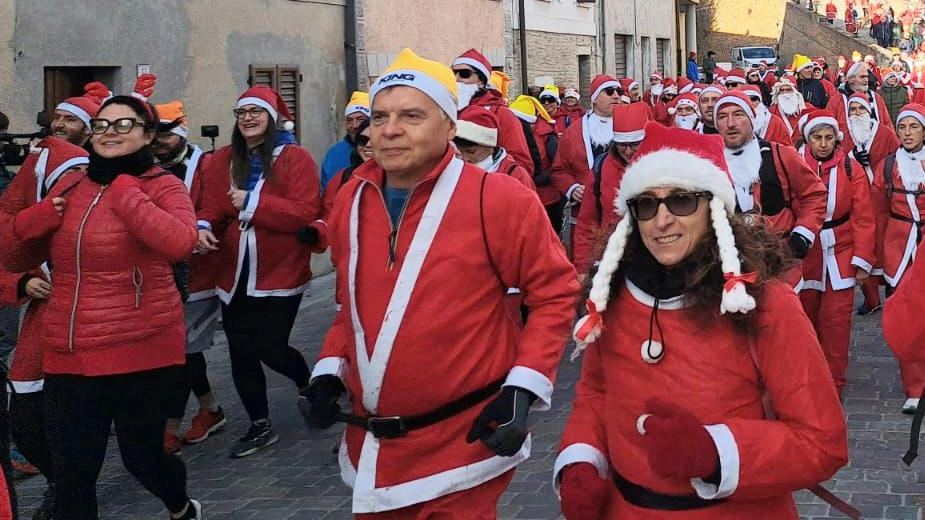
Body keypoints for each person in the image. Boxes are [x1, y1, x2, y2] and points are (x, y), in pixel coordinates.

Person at [301, 48, 578, 517]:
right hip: (374, 447)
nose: (389, 129)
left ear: (450, 126)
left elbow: (555, 292)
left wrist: (524, 388)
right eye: (380, 115)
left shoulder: (500, 197)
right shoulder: (352, 197)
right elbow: (352, 306)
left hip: (462, 444)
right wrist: (330, 372)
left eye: (412, 115)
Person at [556, 122, 848, 520]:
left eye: (681, 201)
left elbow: (822, 442)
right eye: (646, 204)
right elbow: (596, 392)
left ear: (713, 209)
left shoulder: (764, 303)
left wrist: (716, 453)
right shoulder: (615, 295)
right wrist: (581, 460)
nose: (661, 222)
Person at [0, 95, 203, 519]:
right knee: (73, 476)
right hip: (69, 353)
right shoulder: (71, 185)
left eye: (124, 124)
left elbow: (179, 242)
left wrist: (125, 187)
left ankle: (181, 506)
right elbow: (13, 258)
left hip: (140, 351)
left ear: (148, 135)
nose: (109, 131)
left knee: (143, 460)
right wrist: (36, 220)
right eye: (102, 124)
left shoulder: (162, 186)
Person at [197, 86, 321, 458]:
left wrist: (252, 202)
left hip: (279, 271)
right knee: (240, 350)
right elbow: (213, 206)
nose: (248, 118)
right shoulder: (222, 160)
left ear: (270, 116)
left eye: (256, 111)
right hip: (233, 273)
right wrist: (203, 225)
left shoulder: (295, 158)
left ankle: (310, 384)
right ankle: (259, 424)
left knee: (270, 346)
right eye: (241, 112)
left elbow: (304, 211)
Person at [0, 137, 89, 519]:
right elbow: (11, 249)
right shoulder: (28, 200)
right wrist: (20, 282)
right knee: (25, 413)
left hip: (95, 323)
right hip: (45, 321)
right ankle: (62, 483)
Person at [153, 101, 226, 454]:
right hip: (160, 273)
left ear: (181, 131)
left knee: (179, 350)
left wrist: (198, 226)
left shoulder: (206, 165)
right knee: (184, 350)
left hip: (200, 273)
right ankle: (210, 409)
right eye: (154, 133)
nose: (158, 140)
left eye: (165, 133)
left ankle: (169, 426)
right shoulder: (147, 166)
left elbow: (216, 206)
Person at [798, 110, 876, 397]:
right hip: (806, 252)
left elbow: (864, 215)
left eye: (829, 137)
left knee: (837, 320)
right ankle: (808, 378)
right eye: (817, 137)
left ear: (836, 139)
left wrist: (863, 259)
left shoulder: (850, 168)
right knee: (805, 318)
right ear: (808, 138)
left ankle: (834, 383)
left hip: (840, 248)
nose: (823, 143)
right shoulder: (795, 164)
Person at [714, 91, 828, 269]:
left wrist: (802, 235)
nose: (731, 124)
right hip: (730, 265)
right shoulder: (709, 165)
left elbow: (815, 194)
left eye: (738, 114)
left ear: (752, 118)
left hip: (780, 262)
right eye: (722, 117)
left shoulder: (781, 154)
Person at [870, 103, 925, 413]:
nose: (907, 133)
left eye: (913, 127)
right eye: (902, 127)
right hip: (899, 245)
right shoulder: (888, 165)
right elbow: (876, 212)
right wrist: (877, 257)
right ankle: (915, 387)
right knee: (909, 319)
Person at [573, 102, 650, 277]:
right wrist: (583, 268)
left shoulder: (661, 165)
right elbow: (587, 221)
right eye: (622, 145)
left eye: (635, 144)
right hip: (611, 261)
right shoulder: (602, 168)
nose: (628, 151)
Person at [551, 75, 623, 256]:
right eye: (609, 92)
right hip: (584, 215)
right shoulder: (574, 132)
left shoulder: (629, 129)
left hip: (622, 214)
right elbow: (559, 169)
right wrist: (571, 188)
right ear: (595, 98)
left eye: (619, 92)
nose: (616, 96)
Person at [452, 49, 533, 174]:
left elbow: (522, 165)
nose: (456, 79)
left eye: (464, 74)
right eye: (452, 73)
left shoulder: (501, 114)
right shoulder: (445, 110)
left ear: (481, 82)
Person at [510, 94, 563, 232]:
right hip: (521, 196)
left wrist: (539, 179)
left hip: (547, 198)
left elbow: (559, 165)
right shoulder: (512, 135)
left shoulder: (547, 136)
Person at [454, 106, 535, 189]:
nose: (464, 158)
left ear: (489, 145)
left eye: (471, 152)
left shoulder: (515, 174)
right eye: (460, 151)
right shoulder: (455, 170)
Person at [827, 60, 894, 134]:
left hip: (876, 143)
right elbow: (828, 127)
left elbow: (887, 123)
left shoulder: (876, 98)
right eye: (862, 77)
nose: (866, 80)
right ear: (851, 79)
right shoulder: (837, 101)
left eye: (867, 76)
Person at [320, 91, 369, 190]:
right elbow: (325, 193)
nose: (354, 125)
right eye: (349, 120)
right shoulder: (334, 154)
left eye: (360, 119)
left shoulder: (383, 151)